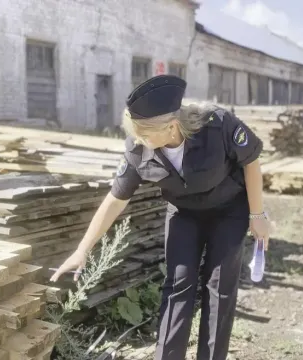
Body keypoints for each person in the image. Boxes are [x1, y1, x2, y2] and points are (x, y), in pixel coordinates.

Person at [50, 75, 272, 360]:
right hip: (184, 213)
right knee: (178, 284)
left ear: (171, 126)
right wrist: (82, 250)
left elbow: (251, 162)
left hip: (229, 211)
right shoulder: (138, 150)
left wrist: (257, 214)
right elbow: (115, 200)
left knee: (219, 287)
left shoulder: (218, 125)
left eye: (144, 134)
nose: (139, 140)